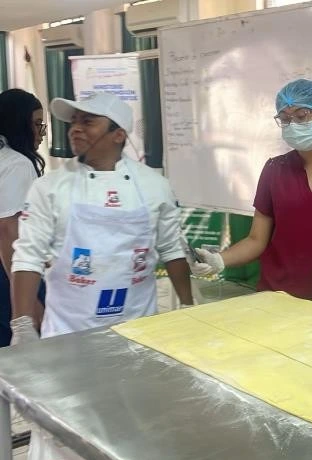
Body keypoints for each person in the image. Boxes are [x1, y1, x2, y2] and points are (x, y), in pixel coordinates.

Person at [11, 92, 193, 344]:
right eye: (74, 122)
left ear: (118, 135)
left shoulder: (153, 186)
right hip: (68, 334)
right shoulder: (49, 188)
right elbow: (28, 257)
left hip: (140, 332)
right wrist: (22, 324)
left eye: (87, 122)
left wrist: (188, 307)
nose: (75, 129)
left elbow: (172, 250)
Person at [190, 79, 312, 308]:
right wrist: (220, 259)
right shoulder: (274, 169)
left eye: (301, 116)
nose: (293, 125)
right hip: (277, 296)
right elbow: (256, 240)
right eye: (285, 119)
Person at [0, 89, 47, 347]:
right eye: (37, 124)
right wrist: (26, 306)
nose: (41, 133)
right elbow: (8, 231)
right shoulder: (16, 163)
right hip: (8, 275)